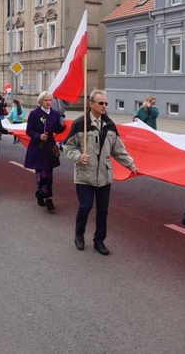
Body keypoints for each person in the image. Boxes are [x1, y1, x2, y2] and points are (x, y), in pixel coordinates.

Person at [64, 90, 138, 255]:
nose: (104, 106)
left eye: (106, 103)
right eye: (101, 103)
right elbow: (67, 146)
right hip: (84, 175)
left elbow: (118, 150)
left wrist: (131, 165)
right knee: (85, 206)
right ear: (91, 104)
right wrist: (78, 156)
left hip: (104, 175)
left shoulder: (110, 125)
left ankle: (99, 241)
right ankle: (79, 234)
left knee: (103, 209)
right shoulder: (80, 124)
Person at [24, 91, 66, 211]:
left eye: (49, 100)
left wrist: (62, 126)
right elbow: (29, 131)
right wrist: (38, 136)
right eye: (46, 100)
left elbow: (57, 130)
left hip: (50, 146)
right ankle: (48, 198)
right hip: (38, 147)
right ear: (41, 101)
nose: (48, 102)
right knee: (41, 173)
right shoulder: (34, 114)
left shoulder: (55, 113)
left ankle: (41, 194)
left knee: (49, 173)